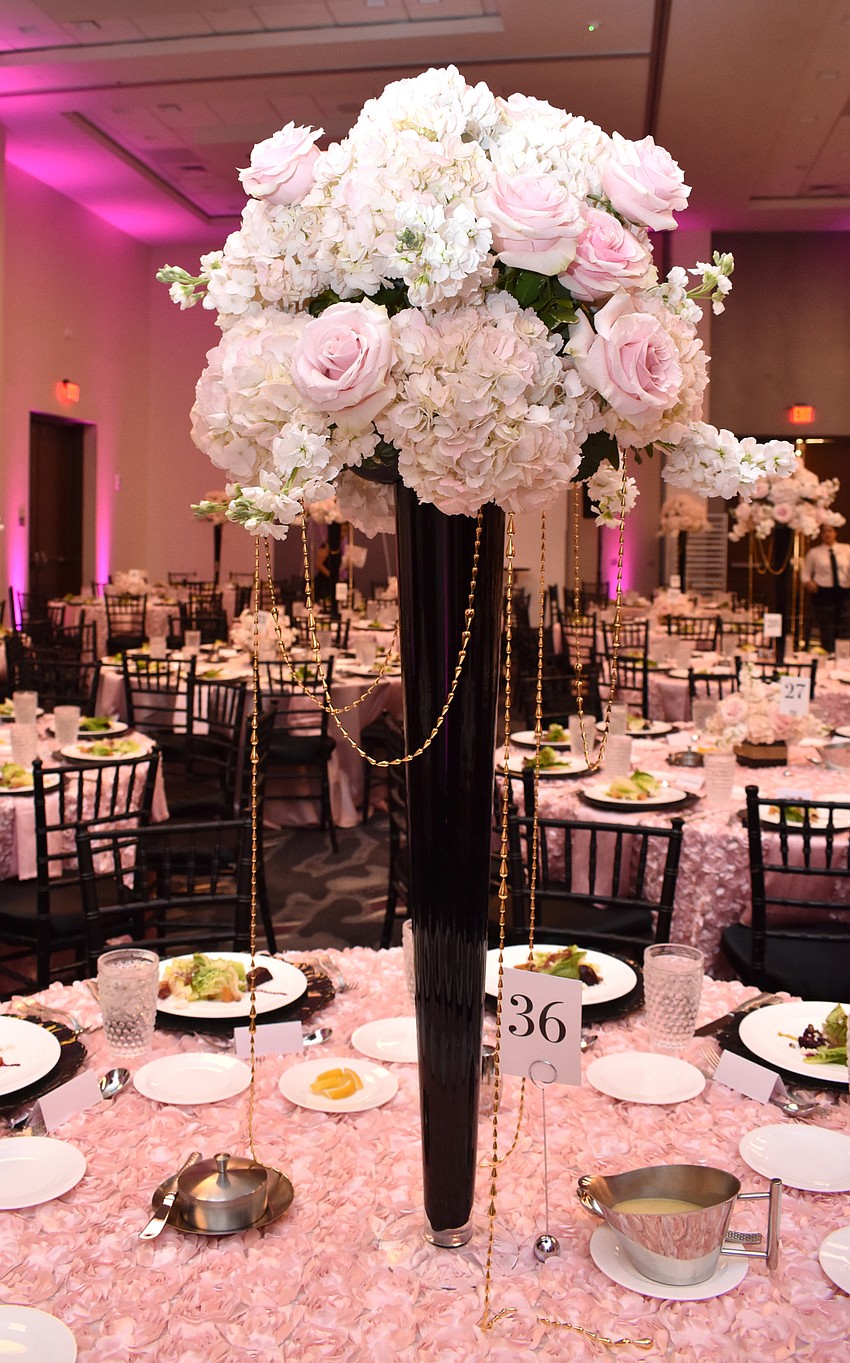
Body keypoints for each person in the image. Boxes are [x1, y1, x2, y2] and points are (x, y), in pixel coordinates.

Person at [802, 524, 850, 652]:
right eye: (824, 532)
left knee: (844, 623)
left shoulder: (846, 549)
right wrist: (809, 582)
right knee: (826, 625)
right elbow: (805, 573)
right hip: (823, 592)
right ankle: (828, 652)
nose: (827, 534)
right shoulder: (814, 552)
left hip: (844, 591)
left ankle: (843, 654)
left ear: (835, 533)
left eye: (830, 531)